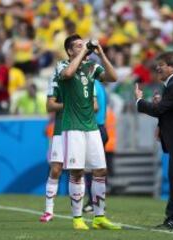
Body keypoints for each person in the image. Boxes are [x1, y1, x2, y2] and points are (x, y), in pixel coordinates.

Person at [56, 34, 120, 230]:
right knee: (77, 172)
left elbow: (113, 77)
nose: (83, 47)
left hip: (91, 127)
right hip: (72, 127)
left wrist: (101, 54)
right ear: (69, 51)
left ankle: (99, 216)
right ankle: (77, 218)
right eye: (77, 46)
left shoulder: (92, 67)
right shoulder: (61, 65)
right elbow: (67, 74)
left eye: (83, 45)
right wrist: (85, 51)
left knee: (100, 170)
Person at [135, 51, 173, 229]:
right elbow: (168, 108)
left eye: (161, 65)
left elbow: (160, 109)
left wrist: (140, 101)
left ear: (172, 66)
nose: (157, 68)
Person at [39, 67, 64, 222]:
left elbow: (95, 107)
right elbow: (50, 106)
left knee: (79, 171)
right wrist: (69, 104)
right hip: (60, 130)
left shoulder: (87, 80)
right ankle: (49, 211)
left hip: (81, 129)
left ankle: (80, 214)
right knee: (55, 169)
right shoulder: (57, 80)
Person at [83, 80, 108, 213]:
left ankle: (94, 202)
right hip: (101, 127)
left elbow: (94, 107)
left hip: (94, 128)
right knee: (96, 168)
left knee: (90, 169)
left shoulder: (90, 83)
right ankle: (97, 200)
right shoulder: (100, 85)